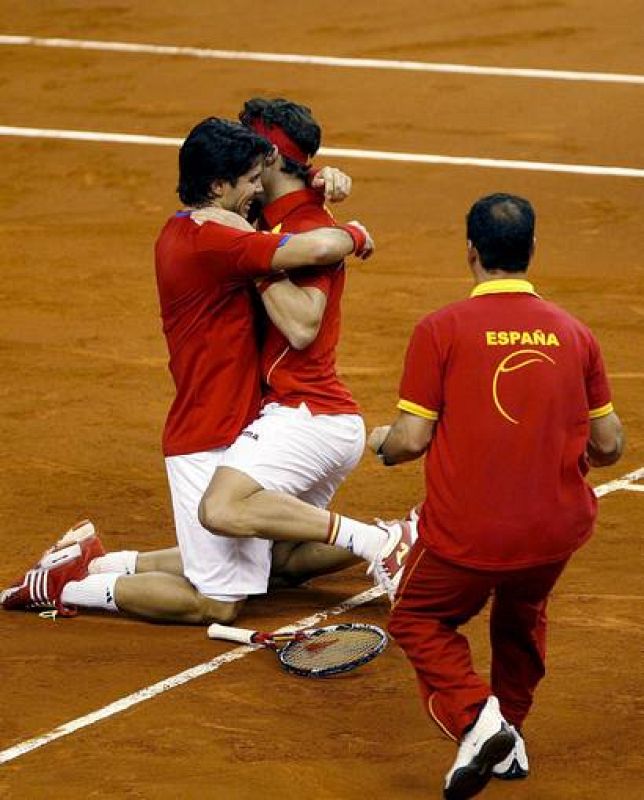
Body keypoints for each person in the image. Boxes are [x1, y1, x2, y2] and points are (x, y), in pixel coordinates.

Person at [0, 116, 379, 622]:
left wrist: (318, 184)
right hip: (204, 436)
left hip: (235, 425)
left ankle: (100, 562)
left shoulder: (201, 227)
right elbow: (317, 246)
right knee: (216, 604)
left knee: (261, 564)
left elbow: (281, 216)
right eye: (248, 181)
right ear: (219, 185)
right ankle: (66, 588)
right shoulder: (216, 240)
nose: (256, 191)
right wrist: (352, 232)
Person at [366, 193, 624, 800]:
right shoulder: (575, 334)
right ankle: (510, 731)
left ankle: (478, 721)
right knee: (522, 615)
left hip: (465, 537)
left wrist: (381, 442)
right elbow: (610, 446)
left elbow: (410, 440)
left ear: (472, 253)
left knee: (419, 617)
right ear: (532, 250)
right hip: (555, 533)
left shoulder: (441, 330)